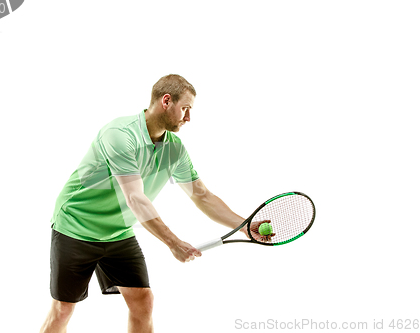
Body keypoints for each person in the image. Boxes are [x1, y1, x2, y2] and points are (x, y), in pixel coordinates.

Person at [40, 74, 267, 333]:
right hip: (76, 227)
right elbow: (135, 198)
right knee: (63, 310)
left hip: (117, 233)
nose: (188, 118)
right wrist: (173, 242)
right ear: (166, 101)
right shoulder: (120, 135)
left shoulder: (175, 149)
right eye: (186, 109)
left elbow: (202, 196)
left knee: (142, 301)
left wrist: (245, 226)